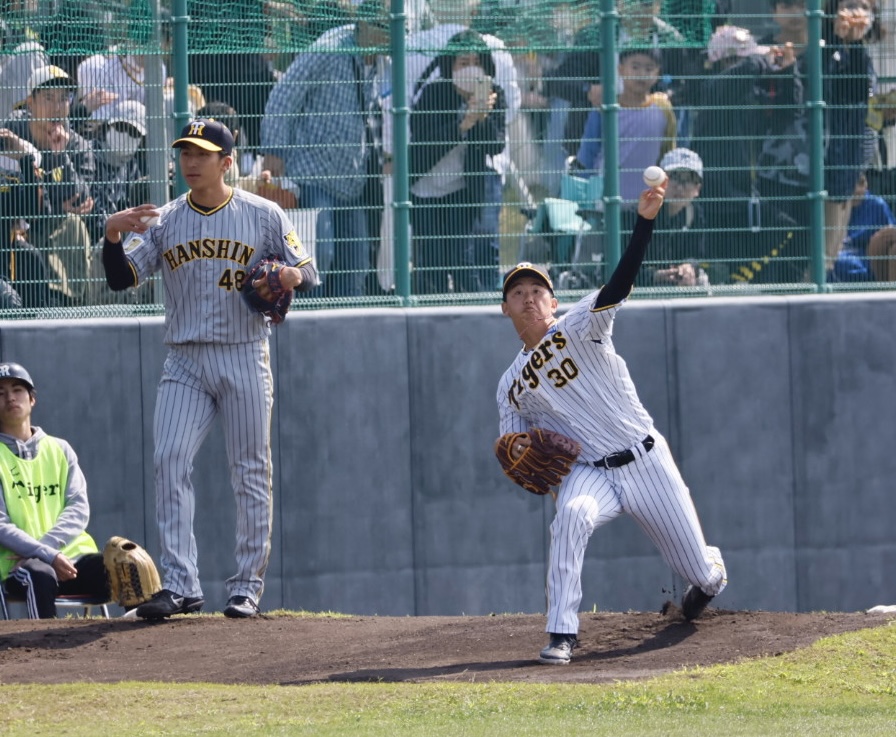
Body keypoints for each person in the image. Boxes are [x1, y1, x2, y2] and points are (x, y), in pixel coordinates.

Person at [496, 180, 727, 665]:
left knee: (698, 571)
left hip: (644, 459)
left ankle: (710, 577)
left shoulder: (580, 324)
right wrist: (519, 452)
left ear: (554, 301)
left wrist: (644, 223)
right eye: (518, 293)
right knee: (570, 518)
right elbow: (512, 442)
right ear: (505, 309)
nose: (528, 298)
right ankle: (562, 633)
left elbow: (619, 285)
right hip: (589, 472)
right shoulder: (510, 384)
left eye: (537, 290)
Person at [101, 119, 318, 619]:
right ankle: (181, 585)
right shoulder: (165, 220)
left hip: (244, 352)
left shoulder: (263, 213)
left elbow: (307, 270)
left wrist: (288, 275)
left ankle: (246, 586)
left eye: (202, 154)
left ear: (227, 163)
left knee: (250, 471)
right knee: (169, 459)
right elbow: (122, 279)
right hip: (185, 359)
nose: (191, 162)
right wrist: (112, 235)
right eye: (185, 153)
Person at [260, 0, 390, 298]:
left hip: (352, 182)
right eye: (388, 28)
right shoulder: (329, 49)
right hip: (312, 176)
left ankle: (349, 325)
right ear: (366, 25)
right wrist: (274, 151)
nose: (395, 37)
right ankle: (308, 321)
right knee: (317, 263)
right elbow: (283, 95)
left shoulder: (382, 62)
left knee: (355, 266)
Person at [0, 361, 110, 618]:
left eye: (17, 390)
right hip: (19, 566)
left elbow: (78, 508)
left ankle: (142, 642)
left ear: (32, 399)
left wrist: (46, 550)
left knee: (123, 565)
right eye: (0, 393)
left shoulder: (60, 449)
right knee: (37, 574)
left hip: (71, 557)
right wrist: (45, 557)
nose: (10, 397)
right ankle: (44, 645)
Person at [409, 30, 507, 294]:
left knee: (463, 259)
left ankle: (472, 310)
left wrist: (482, 117)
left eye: (477, 62)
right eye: (463, 63)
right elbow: (423, 144)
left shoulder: (494, 94)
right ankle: (431, 311)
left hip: (462, 189)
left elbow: (496, 145)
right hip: (426, 189)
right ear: (450, 66)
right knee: (432, 263)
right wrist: (464, 123)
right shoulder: (433, 94)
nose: (471, 69)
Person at [2, 64, 95, 305]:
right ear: (30, 102)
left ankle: (60, 304)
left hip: (53, 229)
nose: (57, 107)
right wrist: (53, 202)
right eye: (48, 97)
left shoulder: (77, 146)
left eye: (64, 98)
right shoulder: (11, 133)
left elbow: (80, 198)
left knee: (72, 224)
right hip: (10, 224)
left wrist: (59, 156)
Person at [575, 46, 676, 208]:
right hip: (605, 202)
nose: (641, 74)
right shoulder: (605, 108)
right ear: (620, 69)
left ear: (658, 73)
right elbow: (588, 154)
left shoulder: (663, 109)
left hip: (646, 203)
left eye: (649, 69)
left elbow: (668, 153)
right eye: (635, 67)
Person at [627, 147, 712, 286]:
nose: (680, 187)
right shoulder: (637, 215)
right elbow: (619, 267)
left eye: (688, 180)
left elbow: (696, 254)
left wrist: (688, 266)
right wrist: (655, 276)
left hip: (677, 282)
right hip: (638, 287)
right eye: (674, 177)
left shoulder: (695, 213)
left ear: (697, 189)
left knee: (702, 280)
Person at [833, 171, 896, 280]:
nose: (859, 190)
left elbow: (891, 233)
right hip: (835, 257)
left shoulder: (876, 205)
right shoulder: (833, 205)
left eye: (862, 183)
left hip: (866, 261)